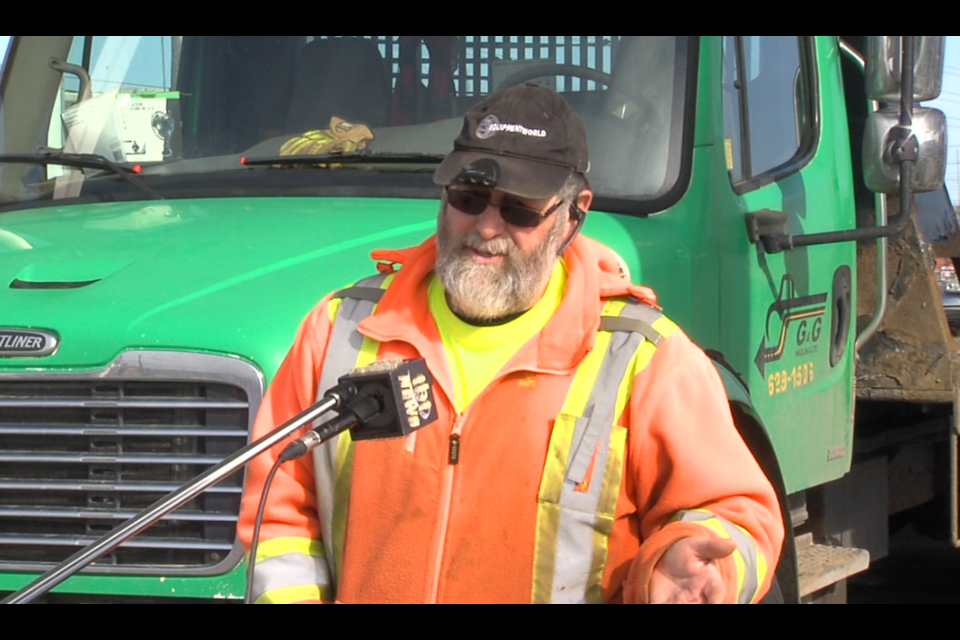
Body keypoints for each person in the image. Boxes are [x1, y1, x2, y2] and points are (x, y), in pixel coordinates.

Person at [238, 84, 784, 605]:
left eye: (520, 208)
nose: (487, 226)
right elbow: (282, 517)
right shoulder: (339, 329)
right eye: (469, 197)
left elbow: (735, 511)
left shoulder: (643, 360)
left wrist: (694, 559)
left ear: (574, 216)